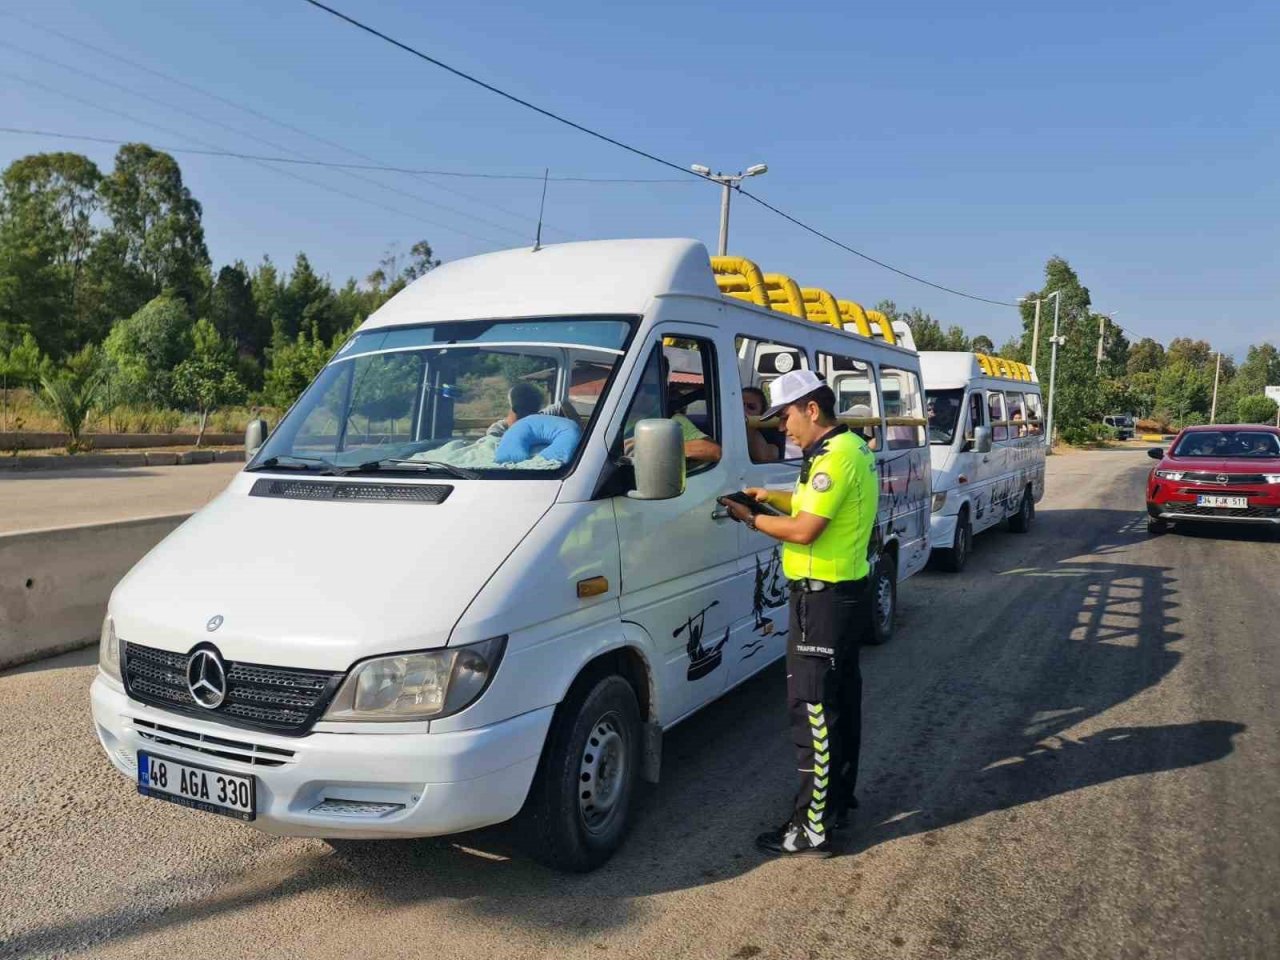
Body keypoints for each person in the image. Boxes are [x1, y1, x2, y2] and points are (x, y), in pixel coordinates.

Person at [720, 369, 879, 858]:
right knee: (839, 702)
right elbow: (816, 506)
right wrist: (772, 497)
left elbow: (807, 529)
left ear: (812, 409)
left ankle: (811, 828)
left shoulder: (834, 459)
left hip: (823, 599)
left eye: (785, 416)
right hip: (840, 595)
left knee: (812, 712)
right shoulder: (844, 449)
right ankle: (836, 804)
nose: (781, 428)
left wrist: (751, 518)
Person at [486, 382, 579, 438]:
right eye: (529, 412)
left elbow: (563, 405)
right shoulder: (497, 431)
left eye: (536, 411)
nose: (534, 417)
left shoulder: (539, 416)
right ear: (516, 410)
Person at [743, 386, 784, 462]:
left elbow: (766, 457)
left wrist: (747, 426)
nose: (743, 410)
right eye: (740, 406)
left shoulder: (771, 432)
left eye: (751, 407)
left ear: (762, 413)